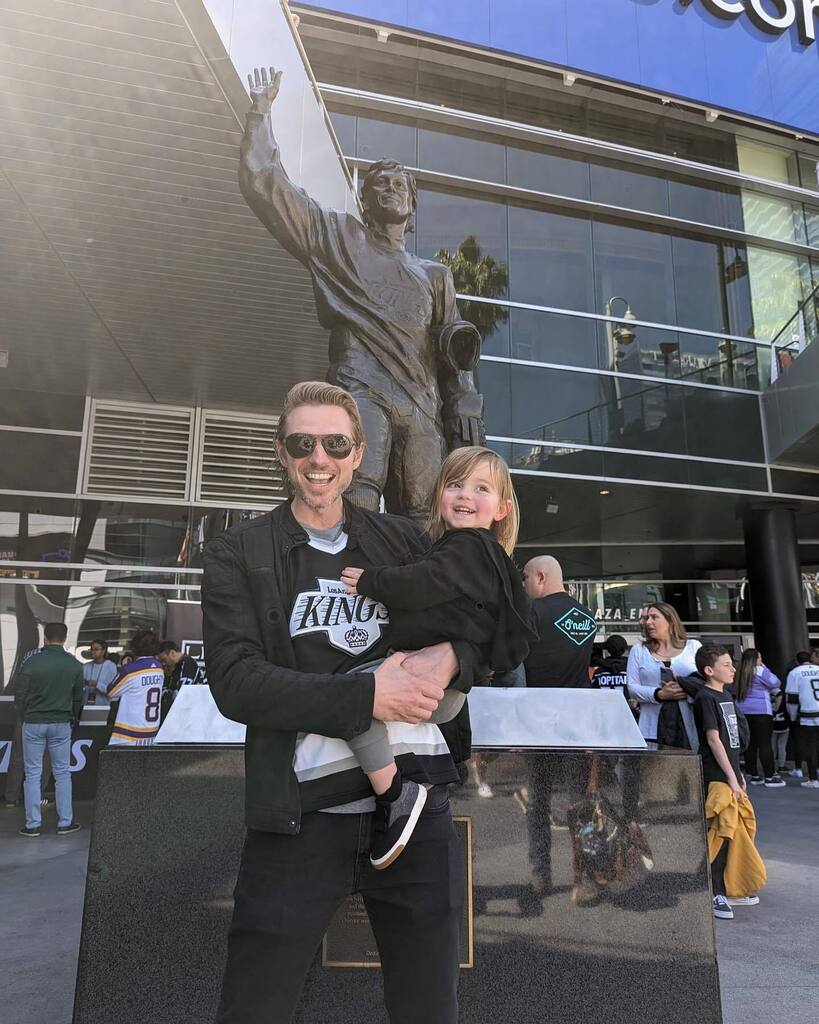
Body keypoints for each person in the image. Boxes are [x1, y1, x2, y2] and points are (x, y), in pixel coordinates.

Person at [202, 380, 485, 1024]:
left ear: (359, 454)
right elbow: (236, 681)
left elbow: (482, 626)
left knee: (428, 1006)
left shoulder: (406, 543)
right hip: (300, 815)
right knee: (256, 1005)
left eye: (334, 443)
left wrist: (452, 658)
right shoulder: (237, 554)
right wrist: (367, 694)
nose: (319, 459)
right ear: (282, 452)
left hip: (413, 814)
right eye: (304, 443)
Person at [238, 66, 484, 521]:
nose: (390, 190)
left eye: (399, 186)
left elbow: (455, 357)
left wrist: (464, 411)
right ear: (365, 202)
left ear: (412, 208)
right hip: (361, 388)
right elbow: (270, 188)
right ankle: (352, 585)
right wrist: (259, 114)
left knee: (424, 510)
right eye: (379, 185)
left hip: (422, 402)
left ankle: (414, 592)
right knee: (357, 494)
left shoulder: (434, 275)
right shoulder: (338, 238)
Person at [341, 445, 533, 866]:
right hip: (448, 690)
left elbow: (424, 583)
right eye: (455, 484)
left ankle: (395, 794)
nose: (465, 495)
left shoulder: (466, 545)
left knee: (347, 699)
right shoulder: (486, 554)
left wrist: (372, 580)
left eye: (480, 488)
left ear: (500, 509)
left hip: (433, 683)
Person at [693, 646, 766, 921]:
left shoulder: (724, 695)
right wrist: (731, 777)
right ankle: (715, 892)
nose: (733, 669)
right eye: (726, 665)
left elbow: (731, 740)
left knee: (735, 831)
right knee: (720, 833)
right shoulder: (705, 697)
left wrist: (737, 773)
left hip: (729, 775)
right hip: (716, 776)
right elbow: (713, 740)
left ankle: (730, 886)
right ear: (709, 670)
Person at [14, 622, 83, 838]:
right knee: (62, 773)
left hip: (34, 722)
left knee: (33, 773)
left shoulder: (32, 662)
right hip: (61, 723)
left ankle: (33, 824)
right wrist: (72, 717)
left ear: (44, 638)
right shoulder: (73, 664)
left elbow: (20, 696)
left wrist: (26, 716)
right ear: (65, 639)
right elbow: (78, 698)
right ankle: (65, 822)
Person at [626, 603, 701, 749]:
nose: (648, 622)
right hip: (652, 729)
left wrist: (685, 689)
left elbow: (706, 682)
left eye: (654, 617)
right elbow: (632, 688)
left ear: (671, 621)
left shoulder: (693, 647)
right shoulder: (639, 650)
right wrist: (659, 694)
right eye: (647, 618)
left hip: (689, 726)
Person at [521, 556, 596, 687]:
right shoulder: (587, 615)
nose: (523, 584)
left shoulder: (533, 611)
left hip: (541, 699)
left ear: (541, 577)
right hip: (580, 700)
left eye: (525, 577)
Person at [98, 630, 165, 745]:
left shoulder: (130, 670)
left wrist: (124, 667)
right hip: (152, 730)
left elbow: (111, 692)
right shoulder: (159, 667)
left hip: (129, 732)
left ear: (134, 646)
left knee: (120, 763)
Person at [734, 649, 784, 788]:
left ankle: (754, 775)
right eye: (760, 657)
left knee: (749, 744)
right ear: (756, 659)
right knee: (765, 744)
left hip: (742, 711)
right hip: (762, 711)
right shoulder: (760, 670)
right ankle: (769, 776)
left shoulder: (739, 671)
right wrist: (766, 669)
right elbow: (776, 683)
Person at [785, 651, 819, 788]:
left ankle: (813, 779)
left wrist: (793, 716)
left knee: (811, 747)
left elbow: (792, 698)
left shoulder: (795, 673)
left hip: (807, 714)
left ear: (797, 661)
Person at [82, 638, 116, 708]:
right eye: (91, 649)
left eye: (96, 649)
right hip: (85, 705)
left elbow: (113, 690)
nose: (92, 652)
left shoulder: (111, 666)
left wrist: (97, 684)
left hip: (103, 706)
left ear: (103, 651)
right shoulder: (85, 666)